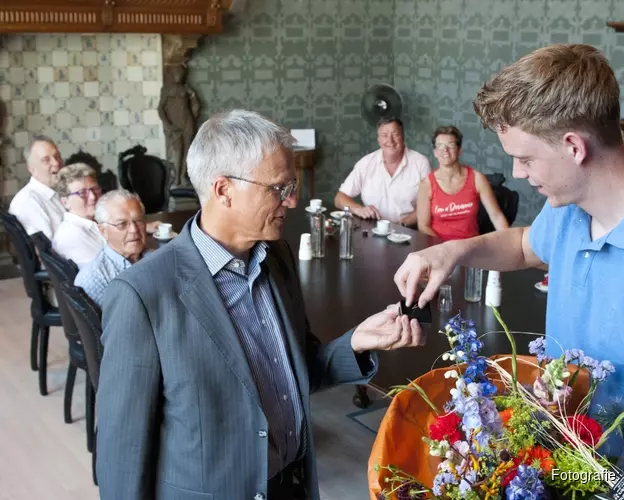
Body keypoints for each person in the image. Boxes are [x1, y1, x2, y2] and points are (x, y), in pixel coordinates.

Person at [394, 44, 624, 499]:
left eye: (526, 158)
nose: (517, 173)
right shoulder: (571, 210)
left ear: (574, 146)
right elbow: (522, 246)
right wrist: (451, 251)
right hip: (568, 463)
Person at [96, 110, 425, 500]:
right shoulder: (143, 294)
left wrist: (357, 343)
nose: (292, 200)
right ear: (223, 190)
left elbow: (298, 372)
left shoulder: (277, 257)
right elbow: (122, 453)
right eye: (278, 188)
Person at [417, 126, 509, 240]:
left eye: (451, 145)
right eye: (440, 145)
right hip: (439, 248)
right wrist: (444, 247)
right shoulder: (426, 184)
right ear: (435, 152)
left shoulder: (477, 178)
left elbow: (496, 216)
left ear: (459, 150)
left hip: (470, 247)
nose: (445, 150)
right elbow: (423, 226)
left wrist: (509, 242)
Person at [334, 117, 431, 225]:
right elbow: (339, 199)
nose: (390, 140)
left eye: (395, 134)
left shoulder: (421, 163)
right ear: (379, 140)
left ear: (403, 137)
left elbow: (428, 204)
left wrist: (402, 225)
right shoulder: (366, 163)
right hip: (373, 229)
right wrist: (359, 209)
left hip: (409, 229)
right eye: (384, 135)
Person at [74, 190, 148, 306]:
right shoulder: (94, 279)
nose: (134, 230)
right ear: (103, 231)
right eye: (121, 224)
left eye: (138, 221)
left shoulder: (157, 256)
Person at [9, 135, 65, 238]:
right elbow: (46, 251)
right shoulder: (27, 202)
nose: (56, 162)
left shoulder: (57, 191)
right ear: (32, 169)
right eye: (46, 160)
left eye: (57, 156)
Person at [51, 163, 104, 267]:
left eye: (94, 189)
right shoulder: (72, 235)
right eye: (82, 193)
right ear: (65, 202)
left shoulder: (94, 222)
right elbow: (104, 271)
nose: (93, 197)